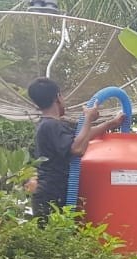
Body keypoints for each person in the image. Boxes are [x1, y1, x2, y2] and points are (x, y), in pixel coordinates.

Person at [26, 77, 123, 224]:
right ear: (58, 97)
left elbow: (81, 137)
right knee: (55, 241)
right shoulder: (51, 126)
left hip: (53, 194)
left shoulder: (51, 125)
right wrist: (88, 119)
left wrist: (110, 124)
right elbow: (78, 148)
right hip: (51, 196)